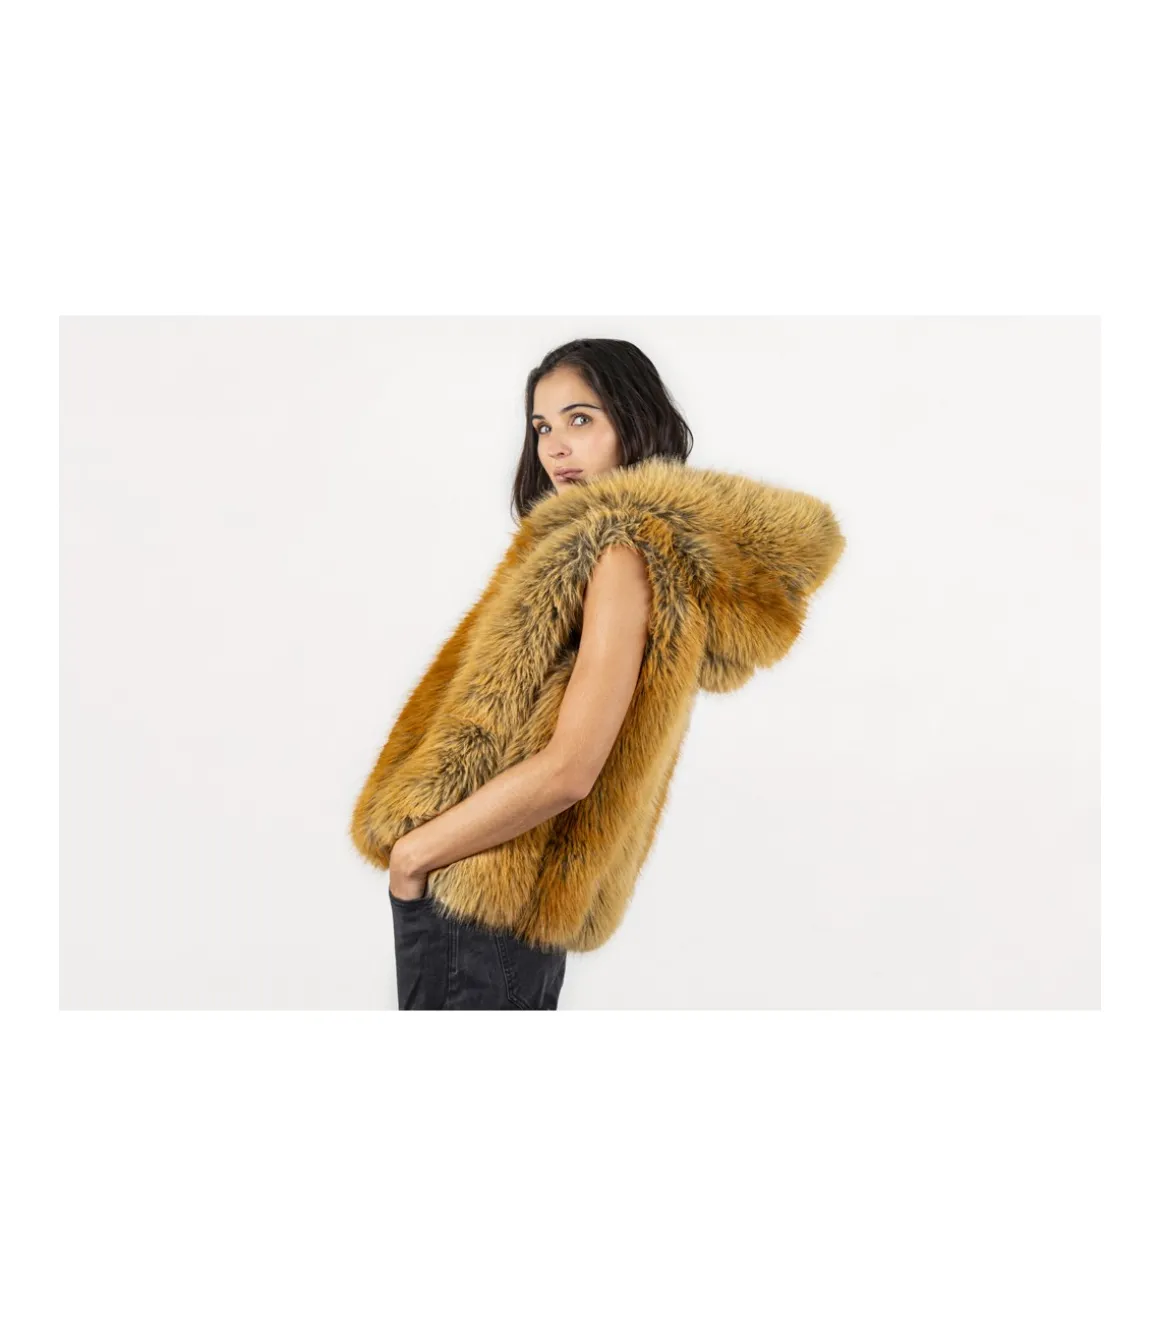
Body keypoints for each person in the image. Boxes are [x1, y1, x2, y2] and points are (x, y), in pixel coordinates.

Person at [384, 338, 694, 1010]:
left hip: (487, 896)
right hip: (487, 888)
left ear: (634, 421)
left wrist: (415, 855)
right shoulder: (589, 551)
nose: (556, 447)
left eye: (581, 419)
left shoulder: (619, 555)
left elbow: (570, 769)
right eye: (543, 427)